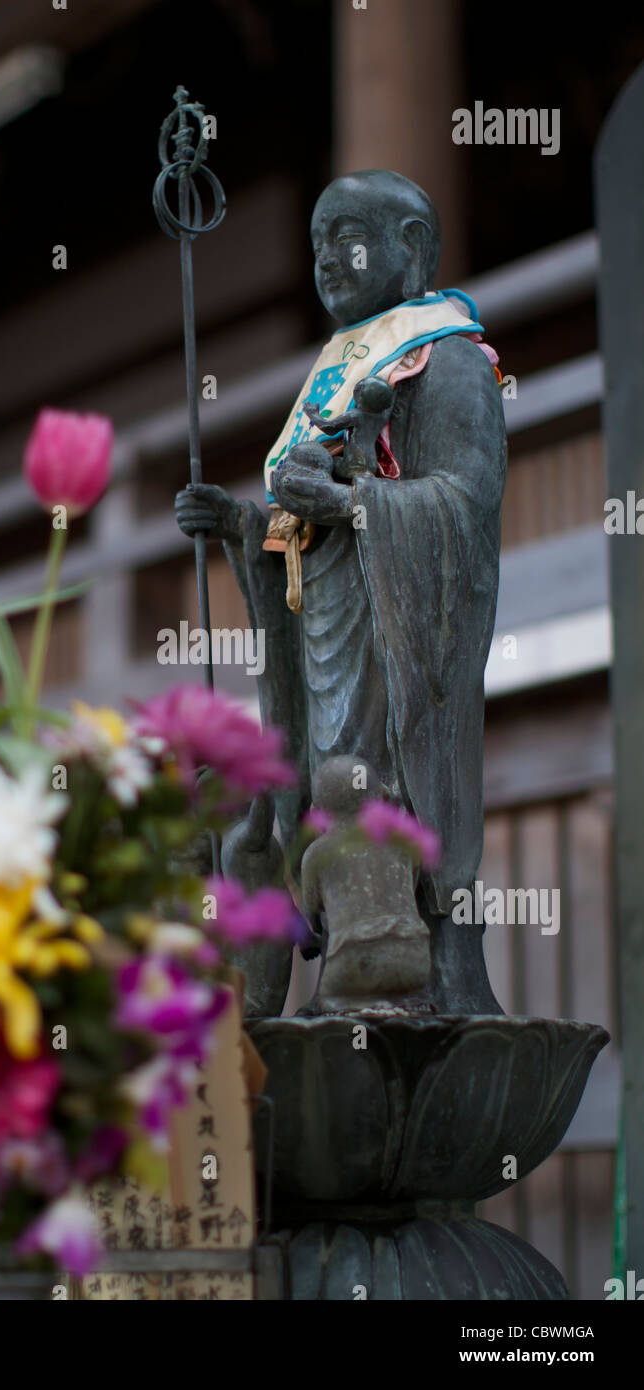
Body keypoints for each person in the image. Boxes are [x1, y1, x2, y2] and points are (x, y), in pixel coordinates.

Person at [176, 170, 507, 1014]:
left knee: (371, 790)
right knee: (323, 789)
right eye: (318, 240)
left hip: (399, 638)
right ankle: (344, 974)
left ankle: (408, 974)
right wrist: (243, 527)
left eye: (348, 233)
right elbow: (301, 524)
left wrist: (357, 504)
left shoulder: (450, 360)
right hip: (324, 625)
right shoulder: (337, 371)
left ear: (412, 247)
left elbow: (464, 510)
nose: (328, 257)